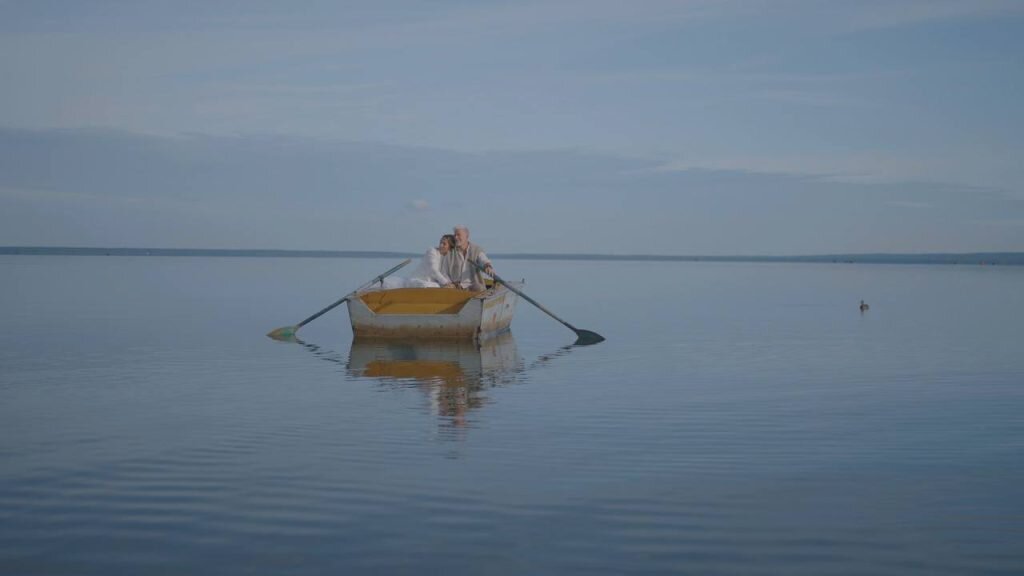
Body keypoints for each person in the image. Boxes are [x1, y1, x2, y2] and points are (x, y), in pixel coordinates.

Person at [381, 234, 456, 289]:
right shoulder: (432, 251)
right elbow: (433, 270)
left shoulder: (445, 258)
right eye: (441, 242)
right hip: (417, 281)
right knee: (435, 286)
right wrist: (446, 283)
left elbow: (444, 273)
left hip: (429, 283)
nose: (441, 245)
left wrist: (450, 283)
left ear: (449, 248)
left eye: (444, 244)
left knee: (440, 286)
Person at [446, 225, 495, 291]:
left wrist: (487, 266)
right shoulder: (450, 251)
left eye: (458, 235)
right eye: (454, 235)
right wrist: (449, 283)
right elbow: (444, 271)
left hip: (472, 286)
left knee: (479, 287)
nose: (456, 237)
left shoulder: (476, 249)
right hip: (455, 287)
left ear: (467, 236)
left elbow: (483, 259)